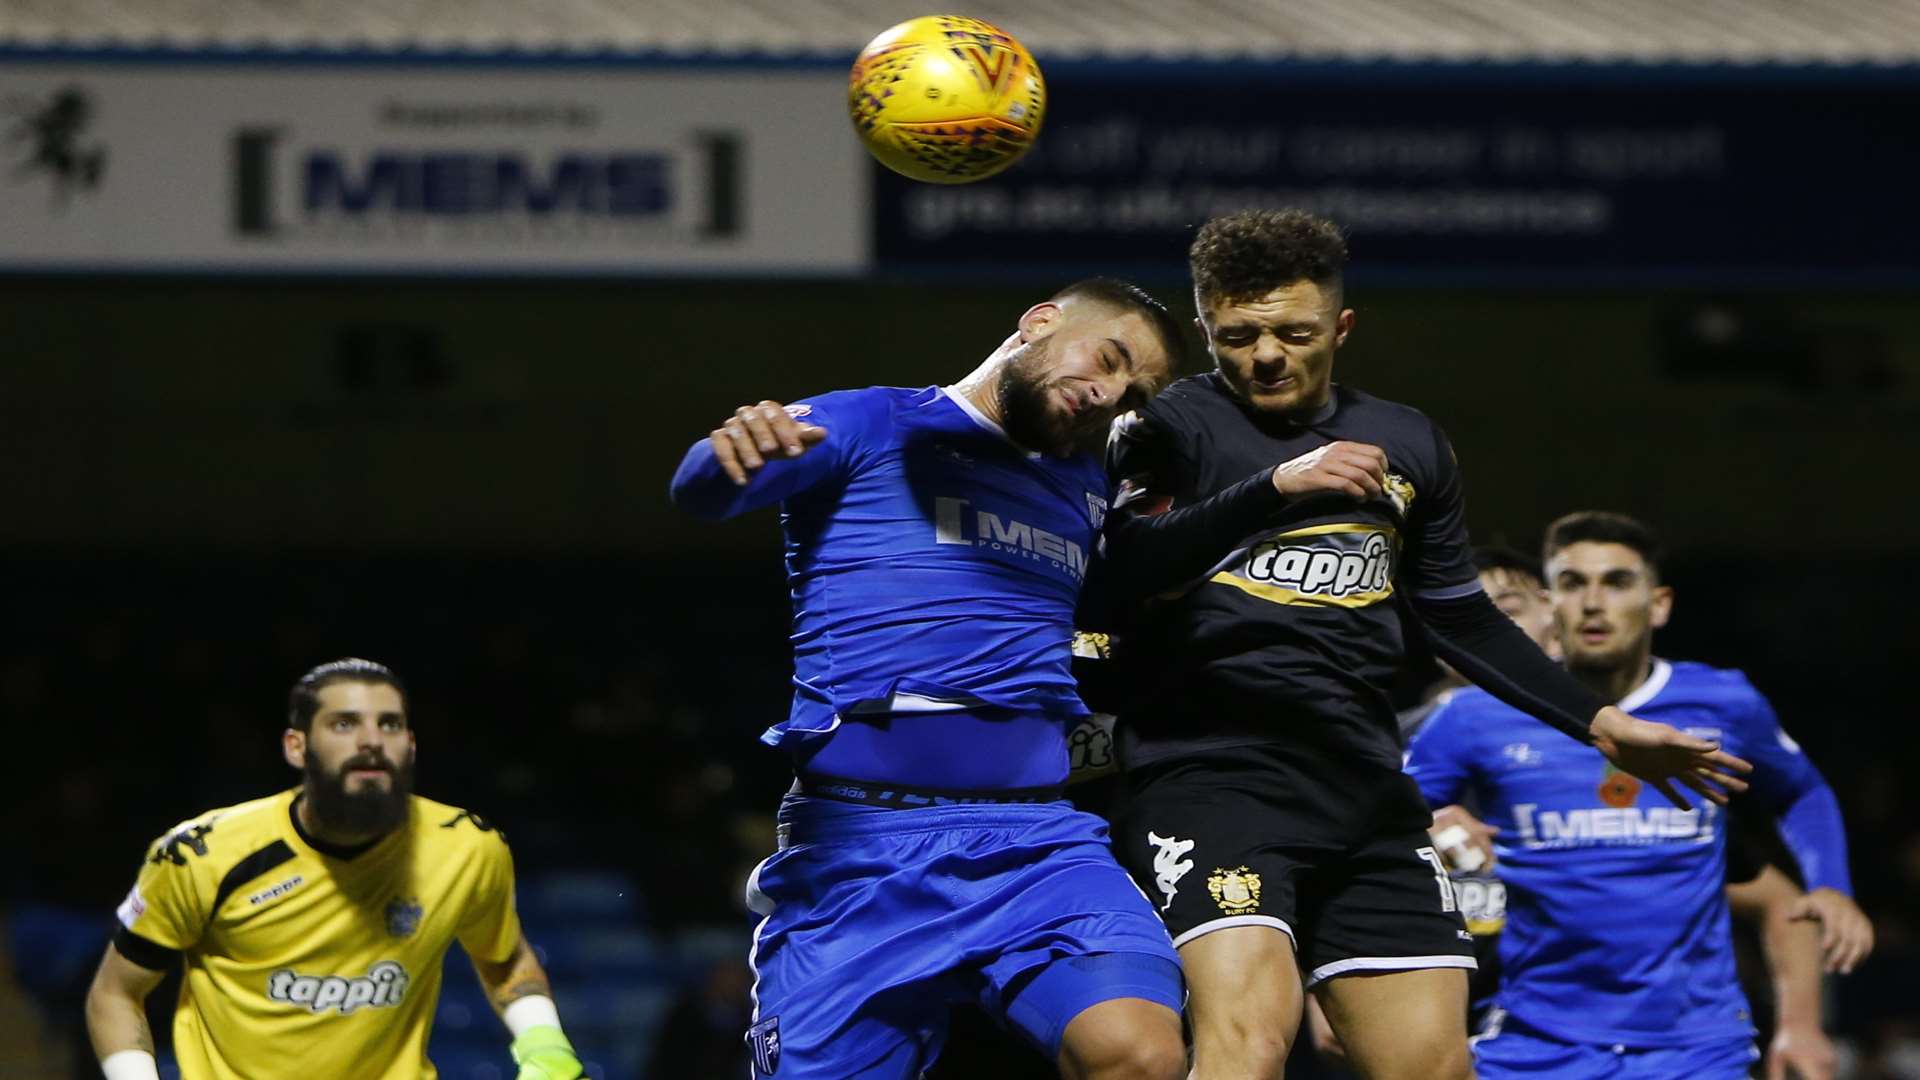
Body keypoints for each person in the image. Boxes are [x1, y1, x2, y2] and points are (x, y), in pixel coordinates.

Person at [1095, 208, 1750, 1080]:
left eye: (1294, 333)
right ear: (1208, 322)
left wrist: (1599, 722)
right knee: (1248, 1042)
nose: (1265, 356)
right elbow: (1121, 570)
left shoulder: (1408, 442)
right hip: (1210, 778)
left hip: (1363, 784)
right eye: (1237, 334)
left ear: (1341, 326)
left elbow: (1461, 617)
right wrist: (1276, 487)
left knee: (1434, 1067)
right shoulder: (1167, 426)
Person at [668, 279, 1187, 1080]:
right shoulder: (874, 421)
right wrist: (727, 453)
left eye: (1133, 392)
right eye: (1108, 358)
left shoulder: (1088, 487)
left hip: (1038, 846)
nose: (1109, 393)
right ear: (1039, 322)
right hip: (857, 855)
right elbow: (702, 490)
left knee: (1140, 1055)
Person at [1406, 511, 1872, 1078]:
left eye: (1617, 582)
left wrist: (1831, 886)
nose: (1593, 602)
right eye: (1573, 583)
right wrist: (1425, 823)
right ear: (1551, 606)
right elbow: (1374, 813)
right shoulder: (1478, 715)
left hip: (1700, 1047)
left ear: (1659, 604)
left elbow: (1802, 792)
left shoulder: (1721, 700)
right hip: (1536, 1042)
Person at [84, 659, 582, 1080]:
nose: (371, 741)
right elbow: (115, 993)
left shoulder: (469, 849)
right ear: (296, 746)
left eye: (389, 724)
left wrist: (545, 1043)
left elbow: (504, 957)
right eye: (344, 724)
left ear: (410, 744)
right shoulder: (202, 856)